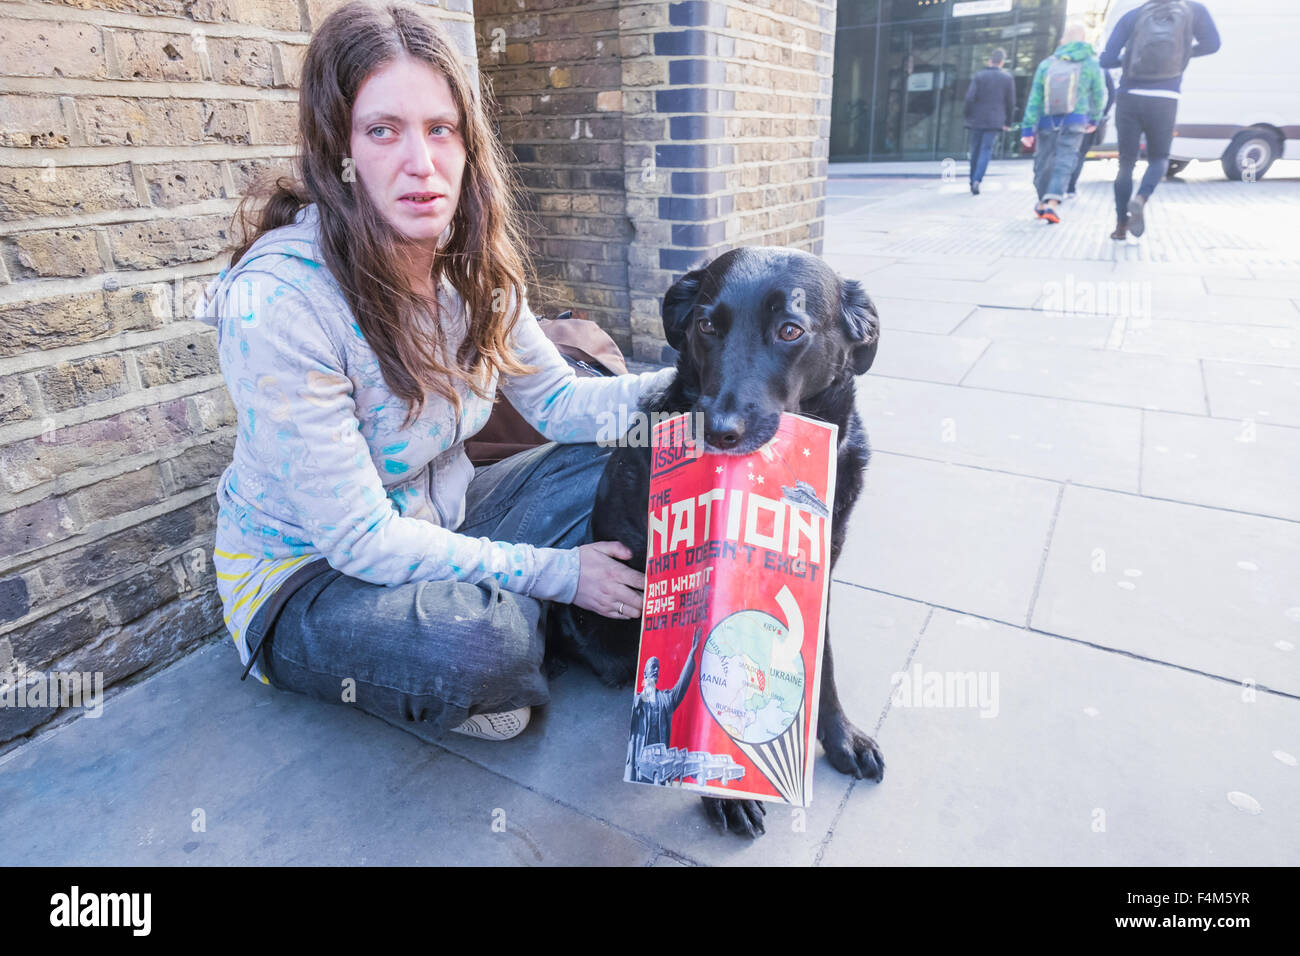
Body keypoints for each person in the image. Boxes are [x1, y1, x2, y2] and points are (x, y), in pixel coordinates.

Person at [195, 1, 675, 742]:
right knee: (480, 647)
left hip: (447, 517)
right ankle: (513, 633)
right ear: (338, 150)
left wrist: (707, 385)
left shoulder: (469, 261)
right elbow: (360, 541)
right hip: (310, 580)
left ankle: (518, 610)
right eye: (383, 131)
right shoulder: (280, 304)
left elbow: (561, 406)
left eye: (440, 130)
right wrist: (563, 574)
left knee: (637, 453)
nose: (421, 163)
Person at [1100, 0, 1220, 239]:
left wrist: (1129, 58)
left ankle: (1121, 226)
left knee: (1125, 164)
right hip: (1165, 97)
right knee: (1159, 159)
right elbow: (1213, 44)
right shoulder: (1194, 11)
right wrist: (1183, 54)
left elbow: (1105, 60)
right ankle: (1141, 197)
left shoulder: (1133, 15)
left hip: (1129, 96)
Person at [1020, 21, 1106, 224]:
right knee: (1065, 161)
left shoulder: (1047, 64)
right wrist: (1095, 118)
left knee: (1043, 163)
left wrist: (1027, 129)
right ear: (1083, 40)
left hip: (1046, 120)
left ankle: (1042, 201)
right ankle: (1052, 203)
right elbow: (1098, 94)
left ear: (1062, 41)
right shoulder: (1091, 63)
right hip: (1075, 119)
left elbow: (1035, 98)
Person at [625, 628, 702, 783]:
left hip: (659, 762)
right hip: (639, 760)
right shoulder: (638, 700)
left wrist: (691, 654)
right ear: (645, 673)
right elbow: (634, 708)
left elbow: (682, 684)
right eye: (653, 667)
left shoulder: (666, 699)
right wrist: (647, 689)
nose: (656, 670)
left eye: (657, 668)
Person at [962, 47, 1016, 195]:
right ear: (1002, 62)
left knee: (975, 150)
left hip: (976, 119)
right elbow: (1011, 103)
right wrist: (1008, 123)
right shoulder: (1007, 78)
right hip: (995, 121)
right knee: (986, 150)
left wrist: (967, 115)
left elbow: (969, 98)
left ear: (990, 60)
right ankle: (978, 180)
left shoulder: (979, 76)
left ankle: (972, 179)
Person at [1065, 67, 1116, 198]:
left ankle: (1061, 185)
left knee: (1066, 151)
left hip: (1069, 117)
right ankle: (1070, 188)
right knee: (1080, 154)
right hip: (1089, 120)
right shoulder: (1102, 70)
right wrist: (1101, 115)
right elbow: (1112, 95)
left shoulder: (1072, 65)